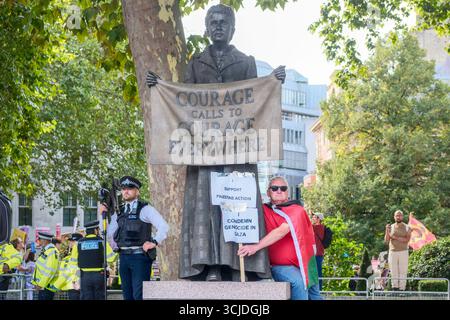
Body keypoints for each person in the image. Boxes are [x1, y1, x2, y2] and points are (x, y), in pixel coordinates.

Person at [146, 3, 286, 282]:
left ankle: (239, 265)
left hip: (237, 152)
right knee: (206, 208)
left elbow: (255, 101)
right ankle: (208, 265)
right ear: (207, 28)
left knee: (238, 205)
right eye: (214, 23)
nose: (219, 27)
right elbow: (182, 101)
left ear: (233, 29)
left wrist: (272, 81)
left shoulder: (246, 61)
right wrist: (160, 87)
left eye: (224, 23)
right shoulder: (195, 64)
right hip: (205, 153)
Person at [238, 176, 321, 300]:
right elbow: (247, 206)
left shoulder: (297, 210)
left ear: (287, 192)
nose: (279, 191)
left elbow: (282, 230)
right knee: (299, 283)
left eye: (283, 188)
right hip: (281, 266)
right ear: (268, 192)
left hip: (306, 264)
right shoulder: (264, 210)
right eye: (274, 188)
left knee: (315, 296)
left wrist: (256, 247)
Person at [106, 175, 169, 300]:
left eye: (130, 188)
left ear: (137, 191)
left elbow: (164, 226)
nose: (126, 191)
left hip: (140, 258)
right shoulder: (119, 211)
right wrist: (114, 245)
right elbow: (110, 232)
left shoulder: (145, 209)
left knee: (139, 295)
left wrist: (154, 242)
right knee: (127, 296)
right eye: (123, 188)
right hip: (123, 257)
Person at [70, 221, 117, 300]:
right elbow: (111, 258)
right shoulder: (102, 242)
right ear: (95, 230)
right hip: (99, 275)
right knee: (99, 297)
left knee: (86, 297)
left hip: (84, 276)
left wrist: (76, 278)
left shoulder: (78, 243)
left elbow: (73, 263)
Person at [384, 210, 411, 291]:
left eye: (400, 215)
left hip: (403, 251)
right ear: (394, 217)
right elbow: (386, 240)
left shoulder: (407, 227)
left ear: (402, 217)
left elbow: (407, 239)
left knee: (403, 271)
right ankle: (394, 287)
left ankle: (402, 289)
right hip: (392, 251)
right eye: (397, 215)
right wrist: (387, 231)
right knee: (393, 271)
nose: (398, 217)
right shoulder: (391, 227)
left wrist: (395, 237)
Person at [32, 232, 59, 300]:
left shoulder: (52, 251)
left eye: (40, 239)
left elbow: (50, 270)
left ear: (45, 240)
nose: (39, 241)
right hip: (44, 287)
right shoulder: (46, 251)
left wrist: (41, 284)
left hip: (46, 287)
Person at [311, 212, 331, 290]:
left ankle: (318, 290)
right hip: (319, 253)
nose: (312, 218)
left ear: (319, 219)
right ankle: (318, 290)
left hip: (316, 254)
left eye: (314, 217)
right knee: (318, 272)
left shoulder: (317, 228)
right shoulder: (323, 228)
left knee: (316, 273)